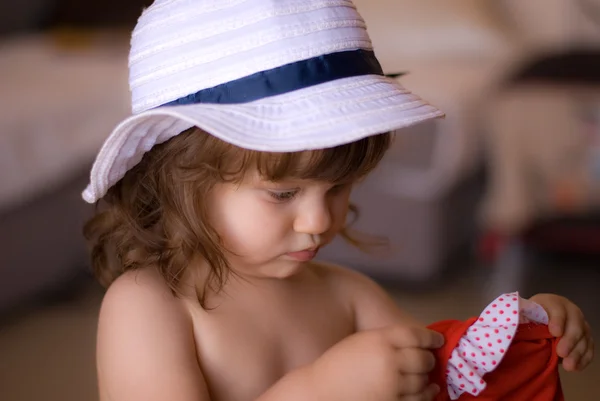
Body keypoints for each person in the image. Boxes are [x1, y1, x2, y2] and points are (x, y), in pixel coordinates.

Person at [82, 1, 594, 401]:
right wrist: (317, 391)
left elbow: (448, 377)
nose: (318, 219)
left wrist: (517, 332)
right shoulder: (150, 306)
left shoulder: (351, 297)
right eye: (282, 193)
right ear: (178, 181)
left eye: (338, 188)